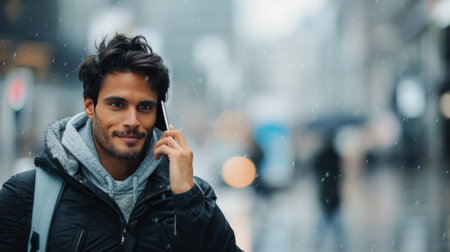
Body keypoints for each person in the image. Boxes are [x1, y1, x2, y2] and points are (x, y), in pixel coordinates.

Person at [0, 34, 242, 252]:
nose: (132, 121)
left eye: (145, 107)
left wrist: (189, 200)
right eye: (117, 104)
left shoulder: (190, 197)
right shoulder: (28, 196)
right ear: (89, 106)